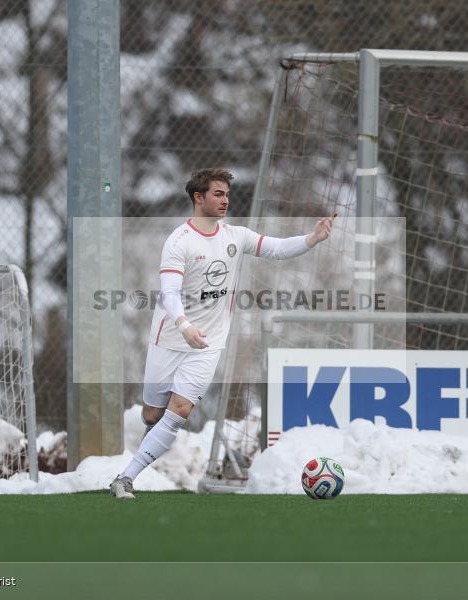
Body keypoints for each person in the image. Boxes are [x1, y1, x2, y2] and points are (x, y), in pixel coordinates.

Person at [110, 168, 335, 499]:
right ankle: (151, 438)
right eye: (218, 194)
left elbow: (276, 248)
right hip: (170, 339)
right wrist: (184, 326)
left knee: (180, 410)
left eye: (227, 194)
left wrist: (312, 239)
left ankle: (124, 479)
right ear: (198, 198)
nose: (225, 200)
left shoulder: (235, 236)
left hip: (209, 343)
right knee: (152, 413)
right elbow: (169, 294)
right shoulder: (178, 242)